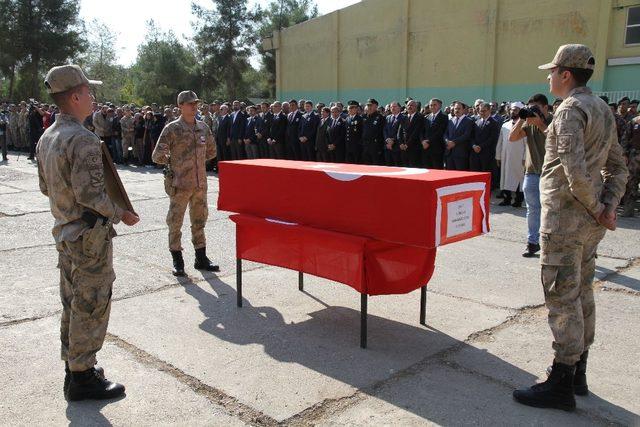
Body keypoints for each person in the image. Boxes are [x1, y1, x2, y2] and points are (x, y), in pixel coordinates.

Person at [513, 44, 628, 412]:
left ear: (565, 74)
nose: (548, 78)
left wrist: (599, 208)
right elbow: (618, 166)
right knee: (582, 292)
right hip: (589, 223)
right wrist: (607, 207)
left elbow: (573, 170)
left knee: (562, 296)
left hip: (565, 218)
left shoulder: (569, 112)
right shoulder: (602, 109)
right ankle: (578, 373)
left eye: (552, 71)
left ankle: (561, 382)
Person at [36, 64, 139, 400]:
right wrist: (121, 213)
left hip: (65, 233)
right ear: (76, 96)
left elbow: (44, 187)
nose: (93, 97)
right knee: (92, 302)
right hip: (89, 238)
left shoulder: (47, 137)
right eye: (89, 91)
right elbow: (91, 196)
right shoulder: (82, 140)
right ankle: (82, 378)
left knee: (72, 301)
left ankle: (74, 367)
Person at [152, 90, 219, 276]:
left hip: (199, 185)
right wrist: (174, 161)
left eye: (196, 103)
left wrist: (195, 161)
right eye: (190, 104)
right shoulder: (172, 129)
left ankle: (201, 257)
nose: (194, 106)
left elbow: (212, 151)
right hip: (180, 184)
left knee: (199, 220)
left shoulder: (203, 127)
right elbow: (157, 155)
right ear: (180, 106)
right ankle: (177, 260)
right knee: (175, 222)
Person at [509, 93, 553, 257]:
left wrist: (540, 124)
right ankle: (532, 242)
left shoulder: (555, 120)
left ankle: (551, 243)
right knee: (533, 209)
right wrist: (522, 117)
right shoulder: (528, 122)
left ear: (546, 108)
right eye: (530, 107)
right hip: (532, 172)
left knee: (551, 210)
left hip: (552, 173)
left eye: (536, 108)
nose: (533, 111)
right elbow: (512, 137)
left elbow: (556, 140)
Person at [495, 102, 526, 207]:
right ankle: (507, 199)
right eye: (512, 109)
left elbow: (527, 144)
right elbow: (500, 142)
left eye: (516, 110)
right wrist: (498, 156)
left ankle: (518, 200)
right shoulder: (505, 125)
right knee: (505, 178)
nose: (513, 111)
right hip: (506, 157)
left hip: (519, 157)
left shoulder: (525, 125)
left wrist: (525, 157)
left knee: (519, 179)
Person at [469, 102, 501, 176]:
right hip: (475, 153)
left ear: (489, 111)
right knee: (475, 174)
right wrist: (473, 145)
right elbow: (471, 136)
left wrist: (481, 146)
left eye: (484, 111)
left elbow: (492, 138)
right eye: (481, 111)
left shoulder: (494, 123)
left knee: (485, 173)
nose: (482, 113)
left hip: (487, 153)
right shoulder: (476, 122)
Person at [444, 101, 474, 170]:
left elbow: (466, 135)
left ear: (463, 110)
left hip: (461, 154)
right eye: (455, 109)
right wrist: (447, 141)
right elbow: (445, 133)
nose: (456, 110)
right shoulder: (450, 120)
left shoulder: (469, 121)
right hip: (449, 153)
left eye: (459, 108)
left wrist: (454, 142)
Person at [620, 114, 640, 217]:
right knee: (631, 182)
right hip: (634, 157)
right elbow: (625, 138)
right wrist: (624, 154)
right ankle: (628, 210)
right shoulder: (633, 122)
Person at [421, 98, 448, 169]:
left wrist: (428, 141)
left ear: (440, 106)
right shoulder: (426, 117)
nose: (432, 107)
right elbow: (422, 131)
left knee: (437, 170)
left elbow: (440, 132)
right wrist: (422, 141)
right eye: (431, 105)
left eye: (434, 105)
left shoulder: (444, 117)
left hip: (437, 149)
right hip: (426, 148)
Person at [361, 98, 385, 165]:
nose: (369, 107)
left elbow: (382, 133)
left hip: (376, 146)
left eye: (371, 105)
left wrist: (380, 147)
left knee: (376, 166)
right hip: (366, 146)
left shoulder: (380, 118)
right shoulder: (364, 117)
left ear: (376, 106)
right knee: (367, 166)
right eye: (368, 105)